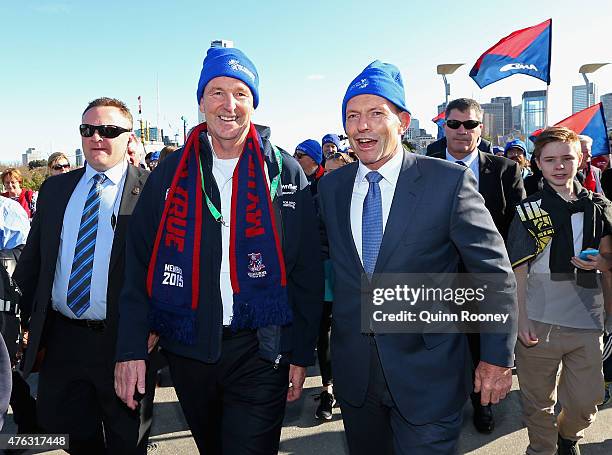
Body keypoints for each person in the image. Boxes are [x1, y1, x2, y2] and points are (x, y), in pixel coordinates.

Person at [114, 46, 323, 455]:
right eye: (216, 92)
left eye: (240, 93)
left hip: (262, 347)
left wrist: (300, 353)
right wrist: (130, 349)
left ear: (254, 103)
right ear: (200, 102)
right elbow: (138, 264)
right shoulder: (168, 175)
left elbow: (307, 271)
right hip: (190, 347)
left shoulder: (283, 171)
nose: (229, 104)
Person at [318, 60, 517, 454]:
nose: (362, 126)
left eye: (376, 114)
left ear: (403, 121)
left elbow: (492, 271)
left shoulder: (448, 182)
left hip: (430, 375)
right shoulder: (332, 188)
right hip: (357, 378)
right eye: (352, 116)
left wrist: (496, 358)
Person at [13, 97, 154, 454]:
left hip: (123, 341)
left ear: (129, 137)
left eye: (108, 131)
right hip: (63, 338)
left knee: (127, 440)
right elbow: (33, 261)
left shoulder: (154, 192)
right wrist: (18, 320)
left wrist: (153, 332)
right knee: (70, 432)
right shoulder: (57, 189)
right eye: (88, 130)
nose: (97, 138)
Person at [508, 126, 612, 455]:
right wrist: (520, 319)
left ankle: (568, 435)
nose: (560, 166)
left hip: (586, 317)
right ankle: (542, 450)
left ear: (580, 160)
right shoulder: (529, 210)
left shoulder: (599, 207)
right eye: (550, 159)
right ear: (537, 163)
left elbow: (609, 259)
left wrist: (601, 263)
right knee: (537, 403)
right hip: (538, 319)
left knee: (587, 400)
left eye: (567, 158)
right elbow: (518, 269)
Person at [427, 98, 525, 433]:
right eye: (454, 124)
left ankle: (481, 403)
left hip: (484, 279)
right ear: (444, 126)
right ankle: (443, 406)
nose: (461, 131)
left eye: (469, 124)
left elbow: (517, 225)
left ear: (481, 129)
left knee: (480, 344)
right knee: (439, 346)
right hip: (436, 277)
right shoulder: (424, 165)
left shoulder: (504, 170)